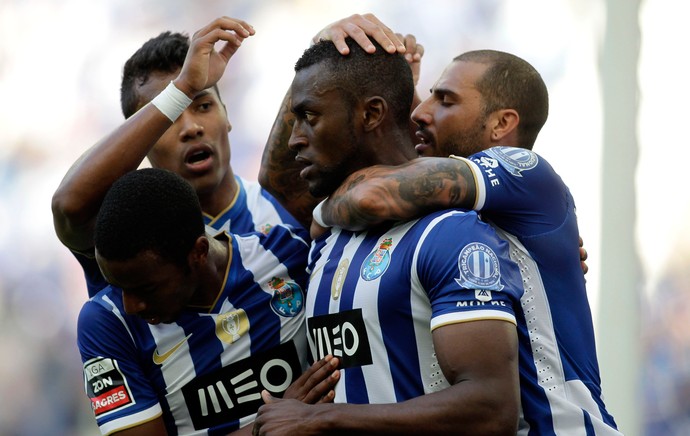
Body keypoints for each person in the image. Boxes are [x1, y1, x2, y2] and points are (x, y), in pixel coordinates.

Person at [257, 14, 620, 435]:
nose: (422, 112)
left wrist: (320, 212)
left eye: (444, 100)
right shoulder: (443, 215)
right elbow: (283, 185)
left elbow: (374, 193)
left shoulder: (523, 170)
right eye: (423, 97)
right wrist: (332, 59)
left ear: (502, 123)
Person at [253, 37, 528, 435]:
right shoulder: (327, 242)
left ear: (371, 114)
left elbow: (491, 409)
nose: (295, 137)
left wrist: (320, 419)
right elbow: (275, 182)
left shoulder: (450, 231)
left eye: (309, 117)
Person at [51, 17, 303, 297]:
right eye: (169, 118)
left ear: (227, 114)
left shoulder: (290, 207)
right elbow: (69, 208)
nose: (191, 128)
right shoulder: (131, 242)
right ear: (141, 142)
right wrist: (182, 87)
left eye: (204, 105)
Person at [77, 167, 339, 435]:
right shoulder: (107, 321)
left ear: (199, 252)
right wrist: (275, 422)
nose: (131, 305)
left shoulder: (286, 253)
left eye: (146, 288)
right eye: (117, 286)